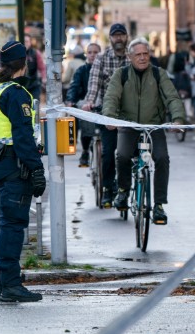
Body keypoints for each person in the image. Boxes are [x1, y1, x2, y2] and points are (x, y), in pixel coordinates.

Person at [0, 40, 46, 303]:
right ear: (23, 64)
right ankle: (11, 285)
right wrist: (36, 169)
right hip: (12, 168)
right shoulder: (16, 94)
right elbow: (23, 137)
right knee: (12, 226)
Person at [103, 37, 187, 225]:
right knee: (123, 156)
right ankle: (123, 191)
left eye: (145, 54)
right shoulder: (121, 74)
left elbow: (172, 97)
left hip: (153, 126)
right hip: (128, 125)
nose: (142, 58)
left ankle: (158, 205)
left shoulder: (159, 74)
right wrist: (109, 117)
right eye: (138, 55)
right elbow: (111, 97)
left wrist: (177, 119)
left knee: (162, 158)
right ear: (129, 57)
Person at [80, 23, 130, 207]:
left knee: (130, 152)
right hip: (107, 112)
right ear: (110, 38)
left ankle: (127, 186)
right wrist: (89, 101)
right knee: (108, 152)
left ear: (126, 37)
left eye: (121, 35)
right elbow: (94, 83)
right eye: (115, 36)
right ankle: (108, 188)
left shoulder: (133, 57)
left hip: (129, 113)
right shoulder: (101, 60)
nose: (118, 39)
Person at [66, 42, 101, 166]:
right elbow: (74, 86)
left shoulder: (105, 69)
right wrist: (71, 101)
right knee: (86, 125)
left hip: (103, 104)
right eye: (90, 52)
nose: (92, 55)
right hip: (85, 104)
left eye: (95, 52)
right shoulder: (82, 70)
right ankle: (85, 151)